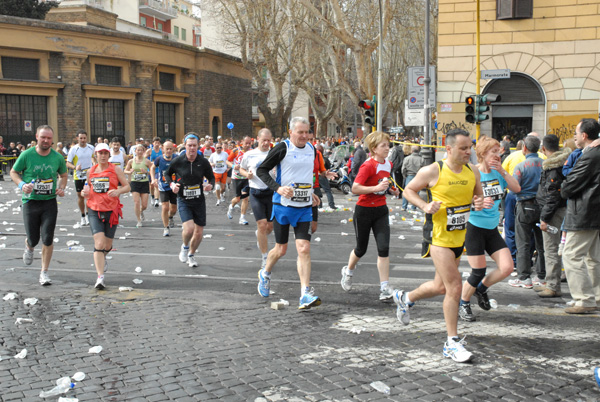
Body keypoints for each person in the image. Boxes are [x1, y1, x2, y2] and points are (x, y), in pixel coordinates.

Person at [393, 128, 484, 363]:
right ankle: (451, 343)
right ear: (449, 148)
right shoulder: (433, 170)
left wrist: (481, 202)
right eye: (464, 148)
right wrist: (425, 206)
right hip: (438, 237)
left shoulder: (472, 171)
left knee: (440, 287)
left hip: (458, 237)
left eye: (470, 147)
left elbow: (478, 199)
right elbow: (410, 190)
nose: (468, 151)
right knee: (454, 287)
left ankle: (406, 298)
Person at [256, 117, 322, 310]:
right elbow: (262, 171)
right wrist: (278, 188)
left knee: (304, 248)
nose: (304, 136)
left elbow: (307, 176)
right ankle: (265, 274)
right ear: (291, 132)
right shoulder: (282, 148)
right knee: (281, 250)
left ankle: (305, 294)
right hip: (283, 206)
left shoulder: (312, 150)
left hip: (303, 207)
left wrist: (311, 193)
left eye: (307, 132)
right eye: (300, 132)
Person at [458, 137, 521, 322]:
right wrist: (475, 203)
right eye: (493, 151)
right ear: (483, 154)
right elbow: (460, 200)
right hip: (474, 227)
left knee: (508, 267)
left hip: (492, 228)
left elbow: (517, 188)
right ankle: (464, 303)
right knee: (478, 271)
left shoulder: (498, 173)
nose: (498, 154)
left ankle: (481, 289)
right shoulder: (473, 171)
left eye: (499, 151)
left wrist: (502, 170)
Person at [340, 131, 400, 300]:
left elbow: (383, 184)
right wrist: (375, 189)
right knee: (361, 249)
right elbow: (355, 188)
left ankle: (384, 287)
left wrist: (391, 190)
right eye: (383, 145)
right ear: (374, 149)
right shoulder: (368, 166)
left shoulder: (388, 164)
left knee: (383, 249)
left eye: (388, 145)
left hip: (381, 210)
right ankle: (348, 271)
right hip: (364, 211)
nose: (387, 148)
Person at [10, 125, 67, 286]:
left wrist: (61, 188)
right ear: (37, 136)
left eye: (49, 138)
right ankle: (29, 246)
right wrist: (22, 185)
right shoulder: (27, 155)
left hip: (49, 202)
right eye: (43, 137)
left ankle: (44, 272)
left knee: (48, 238)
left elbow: (63, 175)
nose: (46, 141)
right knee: (33, 239)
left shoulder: (57, 157)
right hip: (30, 201)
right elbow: (13, 172)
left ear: (52, 140)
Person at [560, 118, 600, 314]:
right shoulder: (592, 153)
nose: (574, 135)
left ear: (584, 135)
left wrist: (564, 188)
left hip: (585, 211)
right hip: (593, 212)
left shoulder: (591, 155)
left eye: (576, 132)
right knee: (593, 257)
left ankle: (584, 299)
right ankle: (596, 296)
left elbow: (569, 185)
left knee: (572, 255)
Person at [82, 143, 130, 289]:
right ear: (95, 155)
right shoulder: (91, 171)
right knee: (99, 243)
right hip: (94, 210)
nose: (102, 156)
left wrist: (118, 192)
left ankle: (102, 257)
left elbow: (128, 186)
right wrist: (85, 193)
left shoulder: (115, 169)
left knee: (107, 245)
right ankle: (100, 278)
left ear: (108, 155)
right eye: (100, 153)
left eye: (105, 153)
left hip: (111, 210)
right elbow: (87, 189)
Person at [165, 133, 215, 268]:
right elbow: (167, 174)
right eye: (189, 145)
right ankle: (185, 247)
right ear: (185, 145)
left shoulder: (203, 162)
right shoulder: (178, 161)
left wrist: (210, 185)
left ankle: (191, 255)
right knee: (188, 230)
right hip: (184, 199)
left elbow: (211, 177)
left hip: (199, 200)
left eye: (194, 145)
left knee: (199, 233)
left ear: (198, 146)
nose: (192, 148)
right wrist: (172, 185)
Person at [533, 134, 570, 298]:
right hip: (559, 210)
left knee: (551, 249)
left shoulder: (552, 167)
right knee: (554, 249)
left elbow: (552, 195)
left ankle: (553, 286)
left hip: (553, 213)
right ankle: (551, 283)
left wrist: (544, 218)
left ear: (543, 149)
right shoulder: (562, 163)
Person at [508, 135, 545, 289]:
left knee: (522, 242)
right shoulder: (545, 164)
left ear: (524, 147)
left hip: (524, 205)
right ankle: (542, 276)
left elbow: (514, 186)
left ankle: (524, 277)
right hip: (543, 207)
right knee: (542, 244)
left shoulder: (521, 166)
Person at [240, 128, 274, 269]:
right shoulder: (249, 154)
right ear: (257, 139)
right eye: (263, 140)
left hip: (271, 192)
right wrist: (246, 174)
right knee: (262, 225)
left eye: (268, 140)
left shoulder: (275, 154)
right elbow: (240, 169)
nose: (266, 143)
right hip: (256, 193)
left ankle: (260, 235)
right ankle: (265, 257)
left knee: (269, 227)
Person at [66, 130, 95, 226]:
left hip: (89, 175)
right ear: (77, 138)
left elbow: (95, 158)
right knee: (81, 196)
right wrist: (75, 167)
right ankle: (83, 216)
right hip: (78, 176)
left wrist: (94, 163)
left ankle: (89, 215)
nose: (83, 140)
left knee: (90, 196)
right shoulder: (74, 149)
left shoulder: (91, 148)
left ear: (87, 138)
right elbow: (68, 163)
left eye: (84, 138)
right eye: (81, 138)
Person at [124, 144, 154, 228]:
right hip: (135, 183)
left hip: (144, 183)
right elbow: (125, 171)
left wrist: (146, 172)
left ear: (143, 151)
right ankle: (138, 220)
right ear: (135, 151)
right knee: (136, 202)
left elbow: (152, 170)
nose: (140, 151)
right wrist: (129, 172)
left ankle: (141, 211)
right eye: (138, 150)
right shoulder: (131, 161)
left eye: (141, 150)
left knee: (144, 205)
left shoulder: (147, 161)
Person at [152, 140, 178, 237]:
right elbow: (152, 167)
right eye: (167, 149)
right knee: (165, 206)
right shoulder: (159, 159)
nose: (169, 151)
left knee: (173, 209)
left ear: (173, 149)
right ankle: (166, 227)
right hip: (163, 185)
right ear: (163, 149)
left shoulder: (176, 158)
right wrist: (153, 178)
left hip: (174, 186)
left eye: (171, 149)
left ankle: (170, 217)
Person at [227, 136, 252, 225]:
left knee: (245, 198)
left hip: (246, 177)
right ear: (242, 142)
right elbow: (227, 161)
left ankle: (242, 218)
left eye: (249, 143)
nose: (248, 145)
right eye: (246, 143)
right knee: (237, 198)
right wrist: (233, 166)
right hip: (236, 177)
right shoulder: (236, 151)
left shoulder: (251, 152)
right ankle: (231, 206)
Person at [401, 146, 426, 211]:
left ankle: (404, 206)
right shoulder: (422, 159)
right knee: (416, 192)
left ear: (412, 151)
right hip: (418, 176)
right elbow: (424, 169)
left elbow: (403, 169)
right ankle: (413, 207)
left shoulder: (407, 158)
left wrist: (404, 176)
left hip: (409, 176)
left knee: (406, 191)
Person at [147, 137, 163, 208]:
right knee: (151, 185)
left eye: (158, 143)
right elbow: (144, 159)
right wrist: (151, 163)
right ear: (153, 143)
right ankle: (152, 197)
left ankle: (157, 200)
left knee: (156, 184)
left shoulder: (162, 151)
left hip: (159, 170)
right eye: (155, 143)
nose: (157, 144)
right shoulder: (150, 151)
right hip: (151, 170)